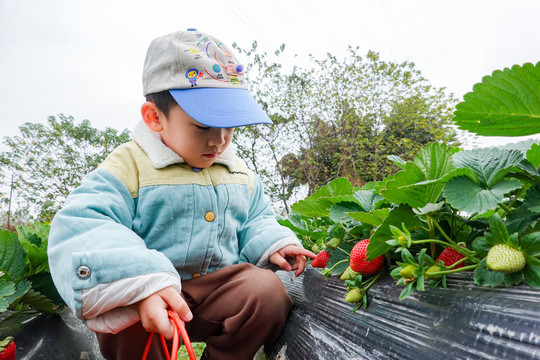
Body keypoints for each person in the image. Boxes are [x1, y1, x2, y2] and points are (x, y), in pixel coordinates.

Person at [47, 28, 316, 360]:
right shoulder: (129, 166)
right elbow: (85, 223)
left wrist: (274, 242)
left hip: (217, 293)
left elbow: (256, 218)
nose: (219, 141)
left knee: (267, 292)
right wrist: (142, 282)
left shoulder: (238, 172)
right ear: (155, 118)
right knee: (128, 311)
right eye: (203, 126)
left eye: (228, 127)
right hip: (149, 295)